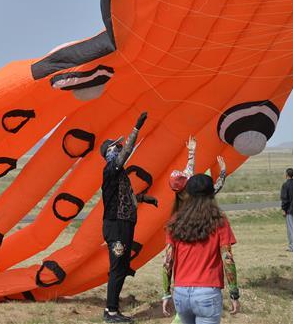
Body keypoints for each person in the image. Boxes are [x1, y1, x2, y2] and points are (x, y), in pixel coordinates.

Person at [101, 111, 158, 324]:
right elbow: (125, 154)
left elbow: (126, 197)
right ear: (109, 153)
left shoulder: (119, 173)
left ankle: (113, 309)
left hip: (123, 225)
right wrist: (136, 129)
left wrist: (144, 198)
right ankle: (111, 312)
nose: (118, 148)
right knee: (117, 268)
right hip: (115, 226)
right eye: (115, 147)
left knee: (122, 267)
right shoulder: (110, 169)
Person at [161, 174, 240, 323]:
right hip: (207, 293)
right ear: (211, 193)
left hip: (181, 293)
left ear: (188, 193)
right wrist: (234, 293)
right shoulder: (219, 221)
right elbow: (228, 259)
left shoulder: (175, 220)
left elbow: (167, 260)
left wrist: (166, 293)